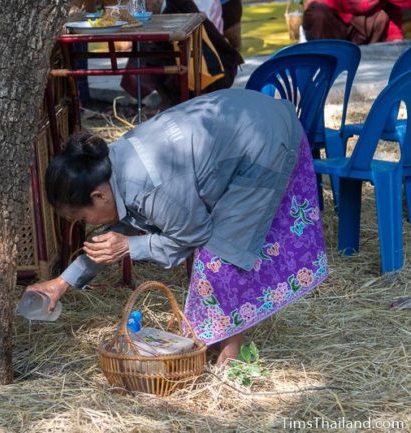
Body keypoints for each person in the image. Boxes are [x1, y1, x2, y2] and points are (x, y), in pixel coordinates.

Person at [26, 89, 329, 365]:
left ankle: (231, 352)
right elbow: (122, 233)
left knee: (222, 253)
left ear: (98, 195)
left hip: (264, 140)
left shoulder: (152, 187)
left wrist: (130, 246)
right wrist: (61, 283)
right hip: (250, 118)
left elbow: (195, 235)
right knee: (221, 247)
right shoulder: (111, 164)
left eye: (83, 218)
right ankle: (218, 338)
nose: (88, 225)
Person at [302, 0, 409, 43]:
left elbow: (391, 9)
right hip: (330, 19)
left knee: (381, 18)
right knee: (318, 15)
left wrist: (396, 39)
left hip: (363, 23)